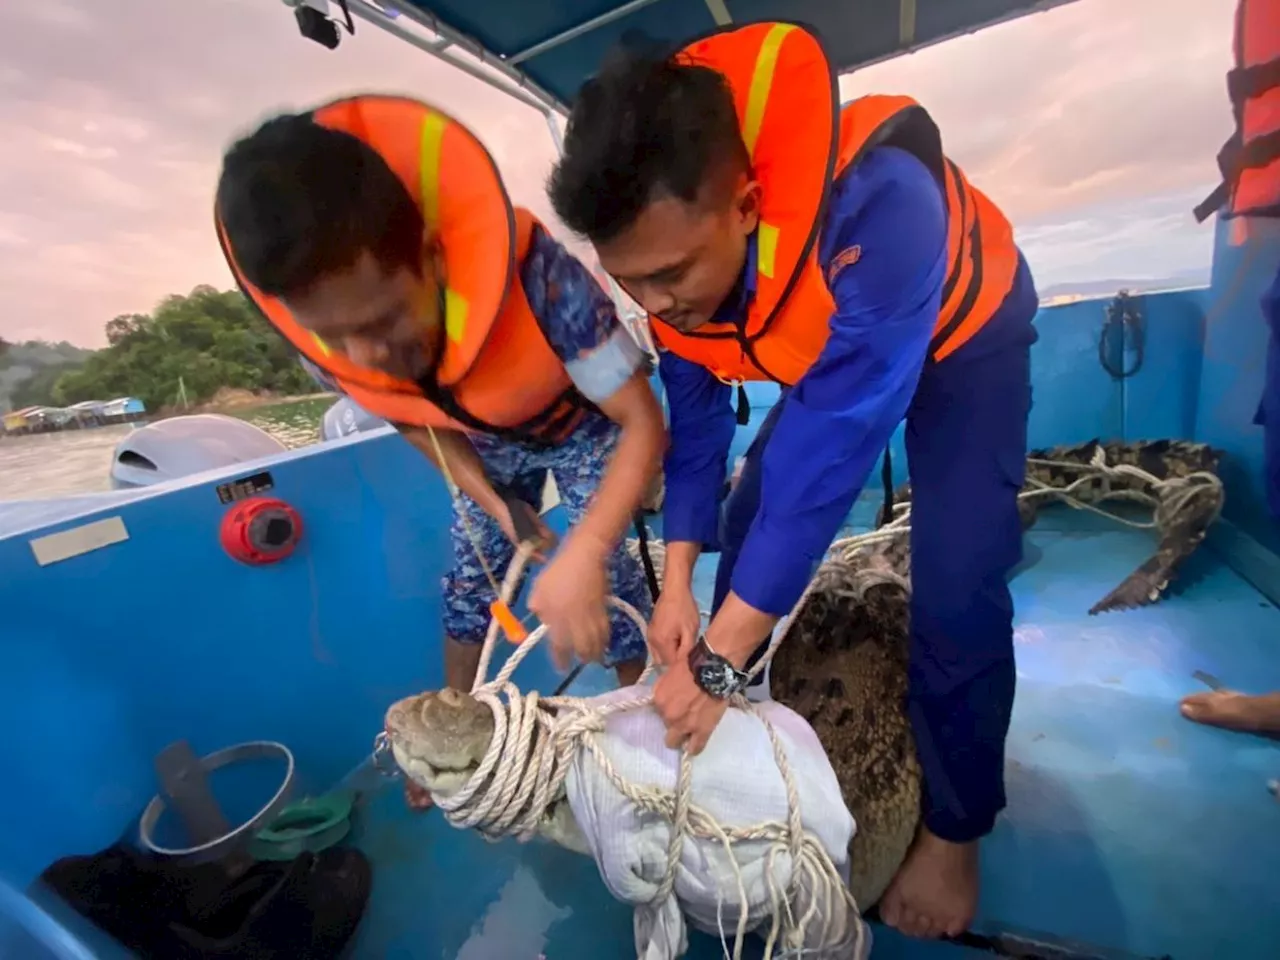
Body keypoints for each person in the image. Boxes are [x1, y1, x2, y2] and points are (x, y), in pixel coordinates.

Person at [547, 23, 1039, 939]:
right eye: (630, 284)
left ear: (746, 203)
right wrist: (681, 590)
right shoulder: (666, 279)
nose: (654, 306)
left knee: (959, 582)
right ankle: (753, 730)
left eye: (669, 275)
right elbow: (694, 433)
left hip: (965, 340)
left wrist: (718, 658)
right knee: (742, 509)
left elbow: (833, 451)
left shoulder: (884, 201)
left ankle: (958, 831)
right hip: (840, 358)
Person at [215, 96, 666, 710]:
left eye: (384, 320)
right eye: (336, 336)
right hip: (484, 440)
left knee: (609, 576)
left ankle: (638, 714)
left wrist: (584, 551)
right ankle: (457, 724)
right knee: (468, 581)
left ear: (430, 258)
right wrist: (499, 506)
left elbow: (641, 418)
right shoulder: (325, 341)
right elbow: (409, 416)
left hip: (584, 425)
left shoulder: (545, 282)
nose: (365, 356)